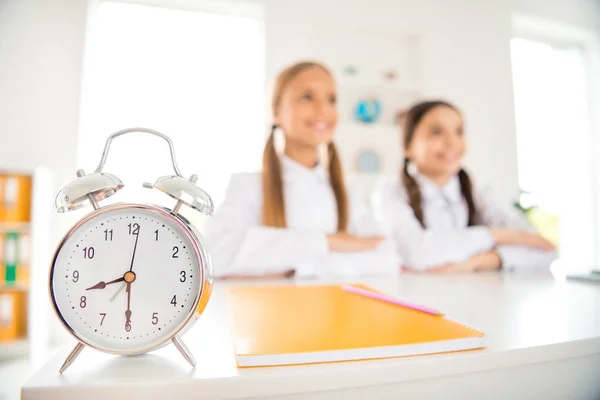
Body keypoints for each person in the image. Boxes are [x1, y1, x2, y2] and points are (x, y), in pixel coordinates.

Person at [206, 61, 398, 278]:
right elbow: (216, 254)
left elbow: (388, 257)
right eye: (307, 97)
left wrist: (296, 267)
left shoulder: (347, 190)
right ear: (276, 112)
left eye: (331, 100)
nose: (323, 109)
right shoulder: (248, 186)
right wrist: (329, 242)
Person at [374, 100, 556, 272]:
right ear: (408, 147)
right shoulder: (391, 191)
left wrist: (481, 261)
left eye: (459, 132)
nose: (452, 143)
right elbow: (415, 254)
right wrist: (498, 236)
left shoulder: (477, 193)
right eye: (436, 132)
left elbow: (546, 250)